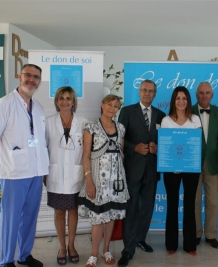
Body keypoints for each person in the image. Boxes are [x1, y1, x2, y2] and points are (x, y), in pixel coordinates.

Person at [0, 64, 49, 267]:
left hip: (35, 172)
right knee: (11, 220)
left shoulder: (38, 107)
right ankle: (6, 260)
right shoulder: (5, 103)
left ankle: (24, 255)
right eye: (28, 75)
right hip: (14, 174)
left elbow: (37, 139)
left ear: (39, 81)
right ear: (19, 76)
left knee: (30, 217)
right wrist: (5, 161)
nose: (32, 79)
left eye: (36, 77)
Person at [77, 94, 129, 267]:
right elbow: (85, 156)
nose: (112, 108)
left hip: (116, 181)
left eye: (116, 106)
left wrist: (119, 177)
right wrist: (89, 181)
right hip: (98, 180)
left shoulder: (120, 128)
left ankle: (106, 250)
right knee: (98, 218)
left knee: (111, 216)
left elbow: (120, 155)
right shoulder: (90, 127)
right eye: (109, 104)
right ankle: (93, 254)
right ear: (102, 104)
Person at [117, 80, 165, 267]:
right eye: (144, 90)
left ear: (155, 94)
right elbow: (120, 139)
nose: (147, 93)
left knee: (146, 209)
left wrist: (157, 148)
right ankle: (128, 249)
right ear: (139, 91)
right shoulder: (127, 111)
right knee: (131, 209)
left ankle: (140, 239)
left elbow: (165, 141)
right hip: (132, 169)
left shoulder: (161, 115)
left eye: (151, 91)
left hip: (152, 170)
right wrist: (134, 148)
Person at [44, 86, 88, 265]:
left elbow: (87, 151)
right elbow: (42, 149)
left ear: (73, 102)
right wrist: (43, 172)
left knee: (73, 210)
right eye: (61, 98)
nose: (64, 101)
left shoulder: (83, 122)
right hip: (55, 173)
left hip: (75, 174)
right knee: (59, 211)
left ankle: (71, 246)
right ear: (56, 101)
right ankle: (62, 247)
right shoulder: (47, 122)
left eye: (68, 98)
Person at [161, 86, 201, 255]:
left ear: (188, 101)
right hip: (171, 169)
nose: (181, 101)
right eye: (178, 98)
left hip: (191, 169)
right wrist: (174, 165)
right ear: (173, 101)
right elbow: (166, 146)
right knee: (172, 205)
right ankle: (171, 244)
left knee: (190, 205)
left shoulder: (195, 120)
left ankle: (190, 245)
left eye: (184, 98)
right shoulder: (166, 120)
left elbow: (196, 146)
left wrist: (184, 164)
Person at [191, 82, 218, 248]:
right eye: (201, 93)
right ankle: (196, 233)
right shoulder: (187, 111)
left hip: (213, 163)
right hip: (192, 164)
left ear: (212, 94)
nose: (204, 96)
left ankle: (211, 234)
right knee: (194, 201)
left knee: (213, 201)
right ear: (196, 94)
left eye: (207, 93)